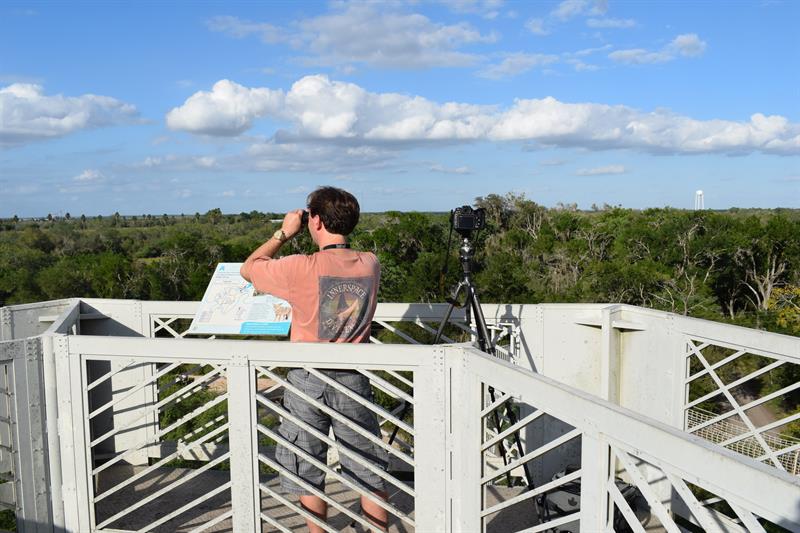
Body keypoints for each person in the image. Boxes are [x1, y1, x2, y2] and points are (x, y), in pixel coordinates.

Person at [240, 186, 388, 532]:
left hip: (307, 379)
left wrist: (284, 232)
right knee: (367, 464)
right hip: (353, 376)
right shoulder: (370, 263)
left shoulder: (299, 267)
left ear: (316, 220)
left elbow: (250, 268)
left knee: (305, 463)